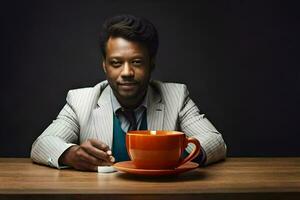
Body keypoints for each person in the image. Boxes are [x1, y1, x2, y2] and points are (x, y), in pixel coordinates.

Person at [31, 14, 226, 171]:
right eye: (116, 63)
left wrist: (179, 156)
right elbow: (42, 144)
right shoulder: (81, 100)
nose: (126, 73)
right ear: (104, 66)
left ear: (152, 64)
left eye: (137, 62)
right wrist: (71, 154)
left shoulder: (176, 96)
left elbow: (214, 141)